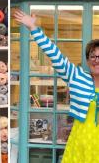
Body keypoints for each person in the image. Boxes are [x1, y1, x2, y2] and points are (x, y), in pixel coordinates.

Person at [14, 10, 99, 163]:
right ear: (87, 60)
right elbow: (56, 55)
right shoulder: (77, 77)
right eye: (92, 56)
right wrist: (34, 29)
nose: (96, 60)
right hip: (82, 143)